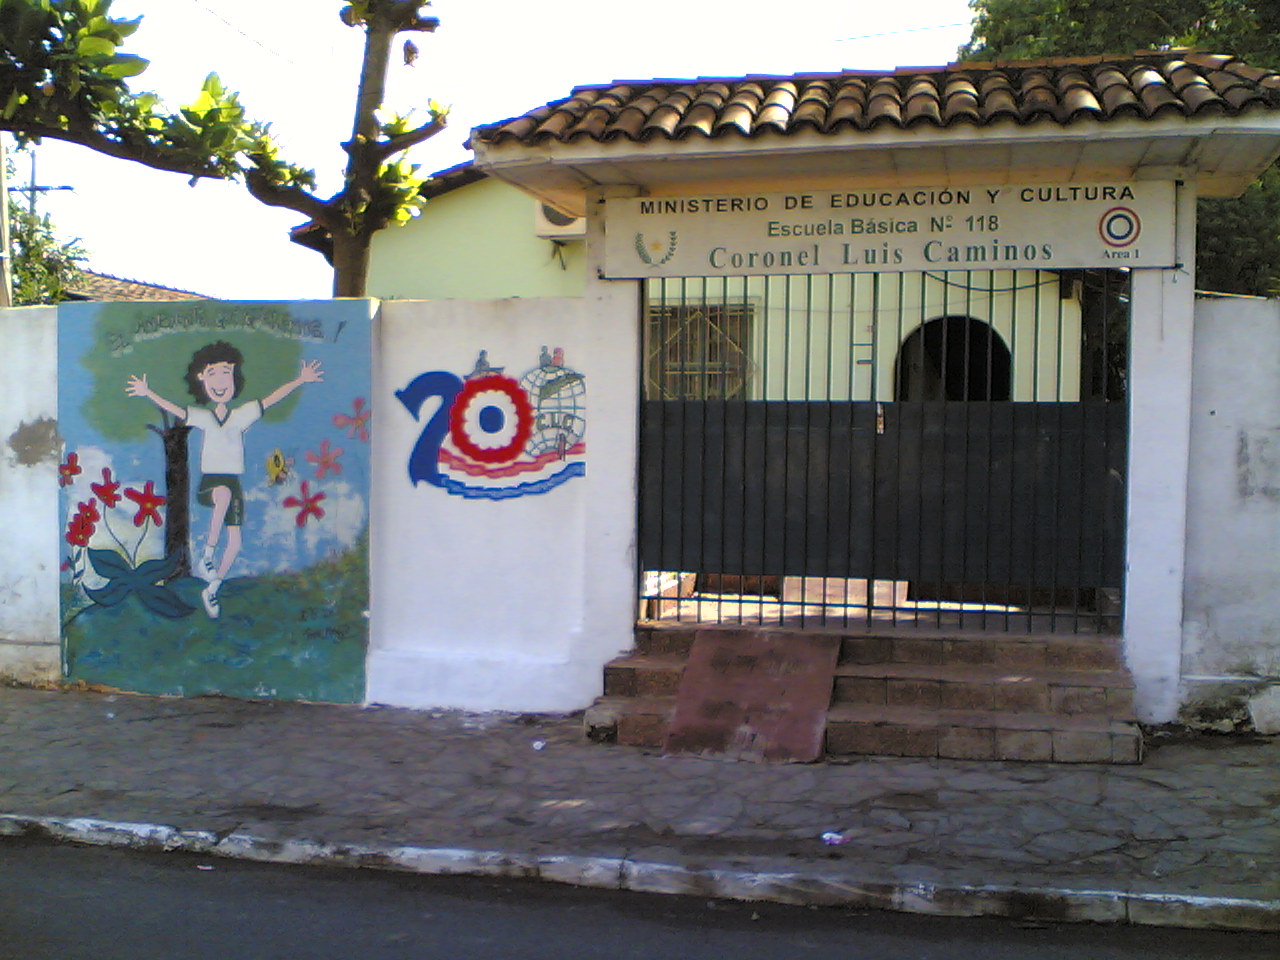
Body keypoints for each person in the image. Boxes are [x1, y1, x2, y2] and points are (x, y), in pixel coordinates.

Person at [126, 341, 323, 619]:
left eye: (226, 374)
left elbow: (271, 398)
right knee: (222, 496)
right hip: (212, 483)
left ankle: (213, 587)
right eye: (214, 374)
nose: (221, 381)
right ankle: (207, 553)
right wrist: (148, 393)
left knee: (235, 541)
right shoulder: (204, 418)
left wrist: (300, 380)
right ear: (201, 379)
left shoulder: (241, 416)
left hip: (233, 482)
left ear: (235, 379)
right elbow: (176, 410)